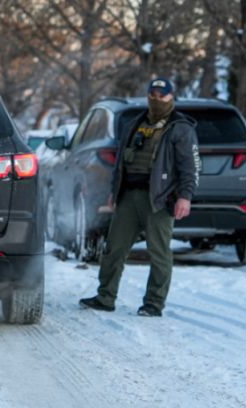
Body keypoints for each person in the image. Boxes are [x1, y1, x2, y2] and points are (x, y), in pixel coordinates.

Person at [79, 78, 200, 317]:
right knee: (114, 248)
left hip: (159, 199)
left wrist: (185, 197)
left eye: (162, 96)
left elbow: (190, 167)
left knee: (159, 252)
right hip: (128, 196)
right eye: (152, 95)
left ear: (171, 97)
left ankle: (153, 304)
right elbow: (120, 164)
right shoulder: (135, 124)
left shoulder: (180, 128)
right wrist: (114, 192)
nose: (156, 100)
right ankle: (105, 297)